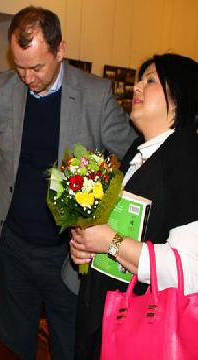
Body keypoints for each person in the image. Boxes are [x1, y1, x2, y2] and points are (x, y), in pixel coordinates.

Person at [0, 6, 137, 360]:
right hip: (12, 249)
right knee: (12, 349)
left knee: (70, 349)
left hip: (69, 257)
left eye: (37, 67)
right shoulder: (2, 90)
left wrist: (111, 222)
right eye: (19, 66)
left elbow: (138, 159)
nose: (27, 78)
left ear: (60, 50)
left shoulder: (96, 96)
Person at [70, 53, 198, 359]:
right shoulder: (138, 153)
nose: (136, 88)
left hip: (143, 327)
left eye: (150, 80)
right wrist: (87, 247)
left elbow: (189, 269)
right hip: (105, 316)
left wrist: (110, 243)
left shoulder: (187, 161)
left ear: (179, 96)